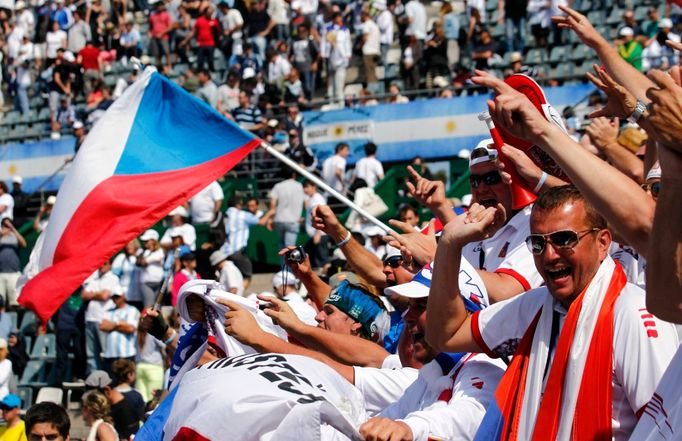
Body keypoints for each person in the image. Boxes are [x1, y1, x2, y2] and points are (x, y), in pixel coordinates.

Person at [426, 186, 679, 440]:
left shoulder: (633, 314)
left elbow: (669, 428)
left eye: (564, 239)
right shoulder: (536, 306)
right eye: (537, 243)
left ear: (602, 243)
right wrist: (449, 244)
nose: (549, 255)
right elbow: (447, 335)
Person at [222, 196, 274, 286]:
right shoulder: (243, 215)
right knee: (247, 277)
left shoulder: (224, 214)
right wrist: (269, 213)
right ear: (238, 205)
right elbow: (261, 222)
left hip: (224, 253)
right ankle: (238, 296)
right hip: (237, 252)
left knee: (231, 278)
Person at [82, 260, 120, 374]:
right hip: (90, 318)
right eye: (100, 263)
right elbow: (84, 295)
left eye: (104, 263)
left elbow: (104, 296)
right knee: (91, 354)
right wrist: (98, 294)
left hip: (102, 319)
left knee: (105, 352)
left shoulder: (113, 278)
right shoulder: (94, 278)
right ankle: (94, 379)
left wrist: (92, 294)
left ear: (110, 265)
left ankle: (107, 378)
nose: (101, 265)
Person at [85, 371, 139, 439]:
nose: (96, 402)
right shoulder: (109, 408)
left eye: (96, 398)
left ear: (107, 390)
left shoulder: (126, 411)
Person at [99, 290, 140, 375]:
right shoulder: (108, 311)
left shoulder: (132, 310)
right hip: (110, 354)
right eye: (113, 297)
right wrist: (120, 324)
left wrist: (112, 325)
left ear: (123, 296)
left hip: (126, 354)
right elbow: (102, 326)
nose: (115, 299)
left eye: (117, 296)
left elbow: (130, 329)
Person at [269, 170, 305, 249]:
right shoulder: (300, 186)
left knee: (282, 246)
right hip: (293, 221)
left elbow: (272, 204)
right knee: (289, 247)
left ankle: (283, 261)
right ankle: (287, 261)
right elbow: (306, 202)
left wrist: (270, 219)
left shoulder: (277, 186)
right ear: (293, 174)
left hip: (279, 220)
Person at [321, 12, 352, 105]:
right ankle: (331, 102)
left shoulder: (345, 30)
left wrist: (348, 54)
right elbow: (323, 41)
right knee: (331, 83)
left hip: (342, 57)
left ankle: (341, 103)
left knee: (339, 82)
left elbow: (347, 42)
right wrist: (324, 53)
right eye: (337, 18)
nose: (339, 20)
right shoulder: (327, 29)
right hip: (331, 57)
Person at [0, 218, 26, 308]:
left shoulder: (15, 236)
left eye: (8, 225)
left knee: (15, 303)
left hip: (13, 273)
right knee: (1, 303)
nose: (6, 228)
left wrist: (13, 229)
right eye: (4, 225)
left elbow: (23, 244)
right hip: (1, 273)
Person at [136, 229, 164, 308]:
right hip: (146, 283)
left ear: (153, 241)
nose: (145, 243)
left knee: (157, 307)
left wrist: (146, 260)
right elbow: (139, 263)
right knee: (149, 306)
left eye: (147, 241)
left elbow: (145, 262)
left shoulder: (160, 251)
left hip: (158, 283)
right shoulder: (141, 251)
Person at [111, 240, 142, 310]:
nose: (128, 246)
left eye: (130, 244)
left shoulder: (141, 257)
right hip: (125, 296)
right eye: (126, 244)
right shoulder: (121, 258)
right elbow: (114, 276)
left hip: (139, 296)